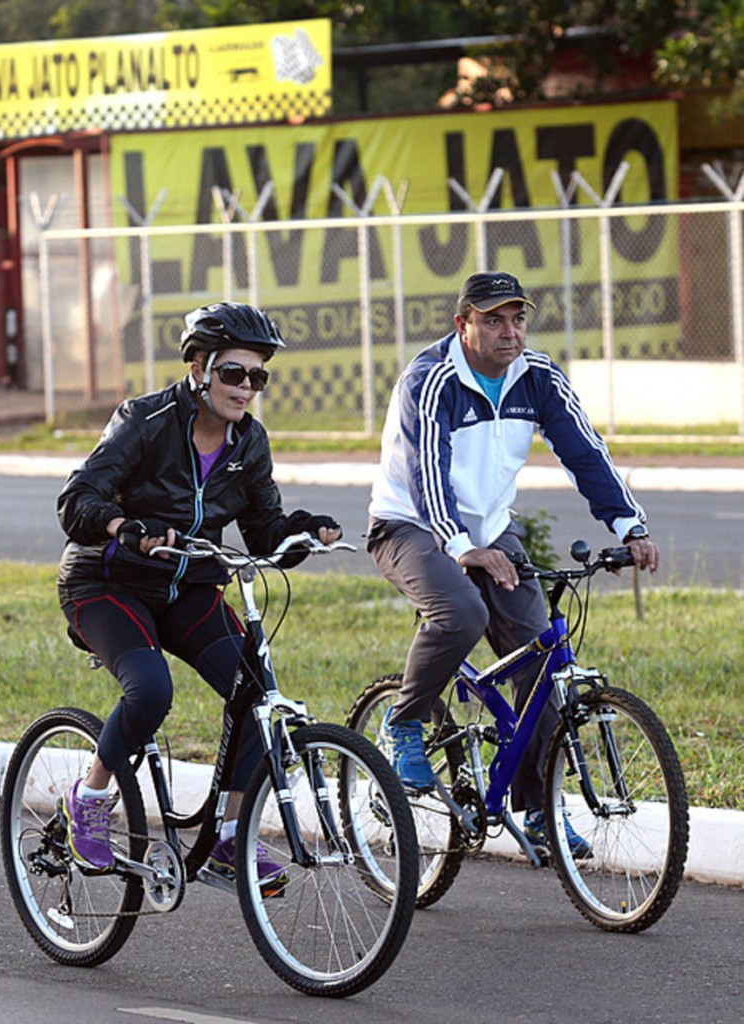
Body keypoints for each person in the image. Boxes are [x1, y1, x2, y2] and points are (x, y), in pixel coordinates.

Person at [367, 271, 659, 857]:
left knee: (539, 658)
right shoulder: (432, 379)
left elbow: (584, 449)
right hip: (411, 525)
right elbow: (427, 469)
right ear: (463, 324)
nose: (509, 331)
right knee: (460, 611)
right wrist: (459, 544)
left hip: (493, 531)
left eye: (517, 318)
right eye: (493, 319)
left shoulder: (538, 376)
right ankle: (403, 724)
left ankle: (542, 810)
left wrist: (630, 525)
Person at [56, 301, 342, 879]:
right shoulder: (146, 420)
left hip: (190, 586)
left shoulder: (249, 442)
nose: (245, 388)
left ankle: (230, 838)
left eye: (257, 377)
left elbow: (263, 529)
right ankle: (87, 800)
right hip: (108, 582)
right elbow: (76, 500)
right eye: (234, 373)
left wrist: (303, 531)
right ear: (200, 369)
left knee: (259, 697)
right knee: (151, 692)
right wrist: (123, 528)